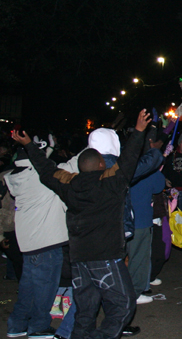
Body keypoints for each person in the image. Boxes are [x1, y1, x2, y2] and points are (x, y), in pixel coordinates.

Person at [12, 109, 150, 339]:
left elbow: (47, 172)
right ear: (99, 165)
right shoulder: (110, 184)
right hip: (105, 256)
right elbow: (128, 160)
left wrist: (28, 146)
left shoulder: (70, 184)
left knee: (86, 310)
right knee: (124, 305)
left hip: (79, 259)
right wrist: (138, 131)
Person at [4, 140, 68, 339]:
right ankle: (39, 327)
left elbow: (41, 161)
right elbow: (71, 165)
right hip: (46, 243)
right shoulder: (40, 178)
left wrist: (47, 147)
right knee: (45, 290)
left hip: (29, 244)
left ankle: (17, 324)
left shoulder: (17, 177)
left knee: (28, 289)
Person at [127, 135, 166, 304]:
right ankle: (135, 292)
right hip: (140, 219)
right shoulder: (146, 170)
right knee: (139, 257)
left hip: (121, 218)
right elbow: (159, 186)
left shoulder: (123, 164)